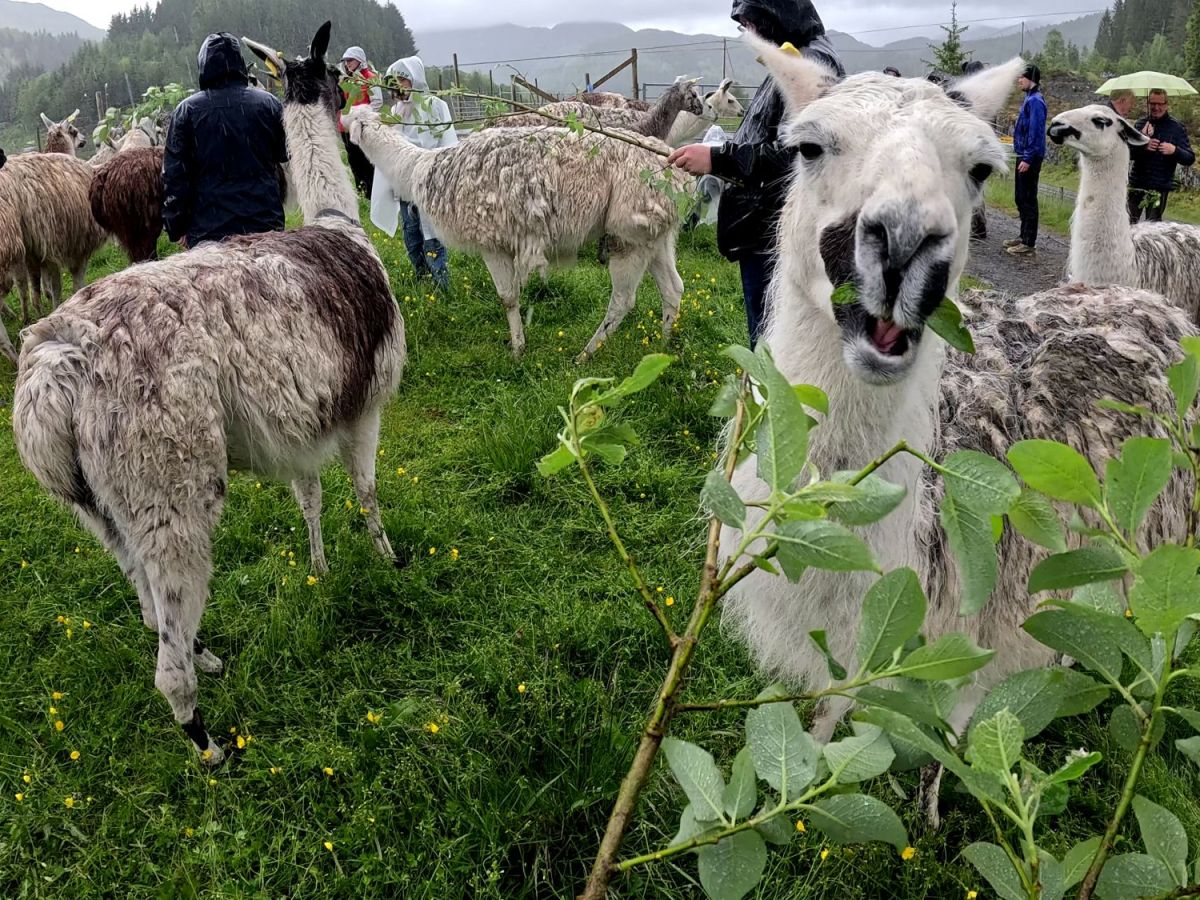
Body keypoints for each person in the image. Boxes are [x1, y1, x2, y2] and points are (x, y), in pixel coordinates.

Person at [667, 0, 843, 346]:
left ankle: (767, 395)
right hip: (766, 229)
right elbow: (772, 134)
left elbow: (795, 156)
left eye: (750, 22)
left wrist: (719, 160)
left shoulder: (810, 64)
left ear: (774, 13)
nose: (748, 33)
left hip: (773, 236)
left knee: (770, 341)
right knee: (768, 333)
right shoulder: (793, 58)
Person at [162, 32, 287, 249]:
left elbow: (175, 176)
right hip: (265, 228)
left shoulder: (187, 111)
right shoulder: (268, 104)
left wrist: (176, 227)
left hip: (209, 235)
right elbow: (284, 154)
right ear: (239, 63)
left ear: (203, 65)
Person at [369, 56, 457, 291]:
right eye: (396, 80)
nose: (399, 84)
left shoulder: (435, 106)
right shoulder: (398, 110)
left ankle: (440, 283)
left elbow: (446, 143)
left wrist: (438, 175)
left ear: (414, 80)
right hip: (405, 185)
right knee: (411, 233)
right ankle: (421, 276)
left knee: (432, 233)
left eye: (403, 79)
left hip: (428, 183)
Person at [1128, 88, 1195, 223]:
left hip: (1159, 188)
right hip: (1137, 185)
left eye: (1160, 104)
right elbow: (1129, 154)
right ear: (1148, 103)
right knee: (1128, 224)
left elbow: (1190, 158)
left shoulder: (1176, 128)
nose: (1156, 107)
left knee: (1153, 230)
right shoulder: (1141, 124)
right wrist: (1143, 143)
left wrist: (1174, 151)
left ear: (1166, 104)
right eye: (1152, 104)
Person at [1005, 64, 1046, 256]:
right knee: (1020, 197)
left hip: (1030, 157)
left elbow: (1035, 132)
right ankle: (1023, 236)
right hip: (1023, 154)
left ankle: (1029, 242)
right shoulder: (1028, 99)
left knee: (1028, 198)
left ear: (1030, 78)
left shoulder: (1036, 101)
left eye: (1021, 77)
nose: (1018, 80)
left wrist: (1028, 158)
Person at [339, 46, 383, 195]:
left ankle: (372, 191)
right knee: (353, 159)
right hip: (346, 128)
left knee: (367, 159)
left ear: (359, 60)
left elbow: (377, 103)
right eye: (345, 61)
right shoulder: (347, 80)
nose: (347, 64)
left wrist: (362, 119)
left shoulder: (371, 78)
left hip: (364, 126)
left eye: (350, 60)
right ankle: (361, 190)